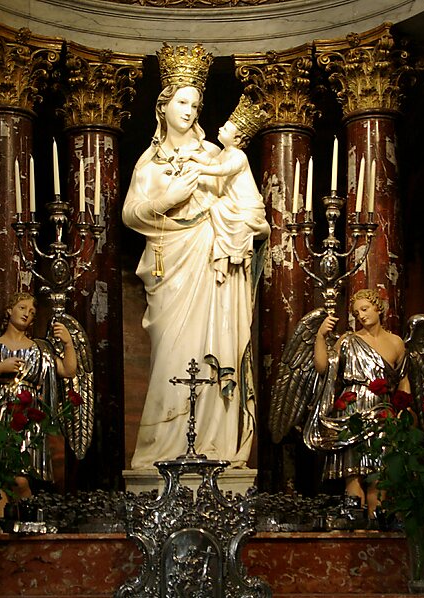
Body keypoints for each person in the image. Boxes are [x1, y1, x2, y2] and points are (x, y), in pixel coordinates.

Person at [122, 43, 259, 470]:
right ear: (163, 106)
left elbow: (252, 211)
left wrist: (227, 221)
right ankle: (161, 447)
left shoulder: (215, 156)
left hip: (212, 262)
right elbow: (130, 214)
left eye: (195, 104)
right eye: (182, 102)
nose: (189, 110)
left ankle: (215, 444)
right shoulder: (148, 163)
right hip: (169, 267)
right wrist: (169, 198)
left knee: (213, 349)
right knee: (170, 357)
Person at [312, 288, 409, 517]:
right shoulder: (348, 341)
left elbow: (403, 381)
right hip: (353, 410)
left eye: (365, 309)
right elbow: (323, 368)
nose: (361, 316)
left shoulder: (396, 343)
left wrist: (405, 411)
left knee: (380, 477)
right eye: (356, 313)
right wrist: (320, 336)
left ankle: (378, 528)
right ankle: (355, 529)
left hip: (382, 412)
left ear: (378, 308)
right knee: (353, 476)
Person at [0, 292, 77, 489]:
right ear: (10, 310)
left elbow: (68, 371)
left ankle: (23, 509)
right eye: (22, 308)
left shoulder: (40, 350)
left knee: (20, 479)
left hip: (26, 416)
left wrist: (68, 343)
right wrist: (1, 367)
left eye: (32, 312)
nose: (27, 314)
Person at [183, 94, 270, 283]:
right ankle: (223, 258)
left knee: (220, 210)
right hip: (232, 204)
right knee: (216, 208)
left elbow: (223, 170)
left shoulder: (238, 156)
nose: (220, 129)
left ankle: (234, 256)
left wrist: (200, 170)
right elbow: (211, 162)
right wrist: (193, 156)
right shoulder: (225, 153)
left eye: (226, 129)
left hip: (246, 206)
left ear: (237, 139)